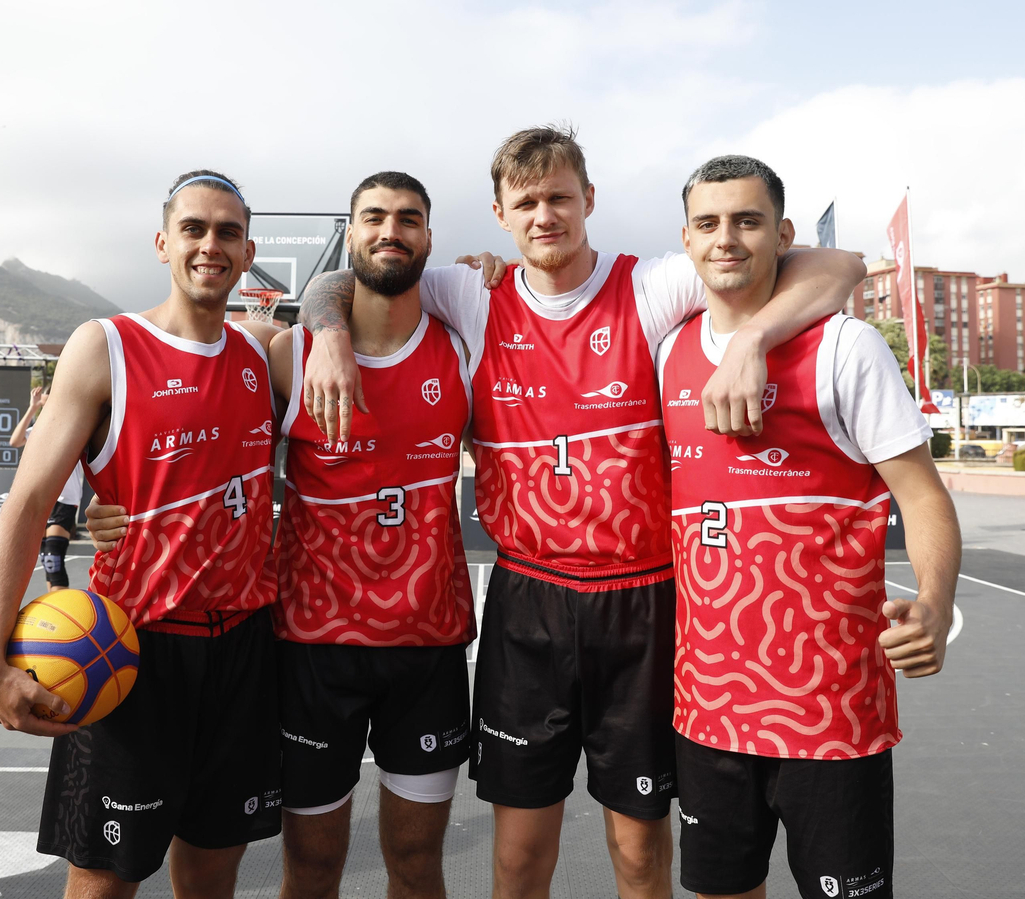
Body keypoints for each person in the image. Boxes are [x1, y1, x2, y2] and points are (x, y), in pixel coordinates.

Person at [299, 126, 866, 899]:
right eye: (525, 202)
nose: (545, 216)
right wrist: (326, 335)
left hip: (639, 602)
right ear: (499, 214)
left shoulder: (650, 286)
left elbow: (842, 265)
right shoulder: (470, 292)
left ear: (589, 200)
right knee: (519, 859)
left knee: (637, 853)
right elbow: (350, 279)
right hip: (528, 604)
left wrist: (755, 338)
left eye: (560, 197)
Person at [91, 171, 477, 899]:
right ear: (352, 229)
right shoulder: (283, 357)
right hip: (310, 654)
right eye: (373, 217)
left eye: (409, 218)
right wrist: (101, 504)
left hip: (426, 652)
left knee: (421, 866)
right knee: (313, 869)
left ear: (430, 236)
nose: (390, 231)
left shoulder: (462, 346)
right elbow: (198, 446)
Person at [0, 170, 285, 899]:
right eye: (196, 229)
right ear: (162, 242)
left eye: (228, 232)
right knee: (104, 881)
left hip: (244, 649)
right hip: (128, 652)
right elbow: (25, 506)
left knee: (211, 875)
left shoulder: (263, 352)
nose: (212, 245)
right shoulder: (105, 345)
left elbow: (352, 306)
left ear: (248, 250)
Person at [656, 155, 960, 899]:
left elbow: (921, 496)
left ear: (783, 234)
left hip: (830, 713)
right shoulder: (666, 351)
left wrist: (935, 600)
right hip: (707, 711)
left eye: (748, 221)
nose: (726, 238)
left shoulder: (845, 348)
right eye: (708, 223)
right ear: (687, 241)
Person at [10, 385, 86, 591]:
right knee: (46, 558)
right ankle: (53, 605)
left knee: (53, 557)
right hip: (44, 498)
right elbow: (15, 441)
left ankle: (63, 608)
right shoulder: (39, 427)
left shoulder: (72, 424)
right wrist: (32, 408)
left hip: (65, 498)